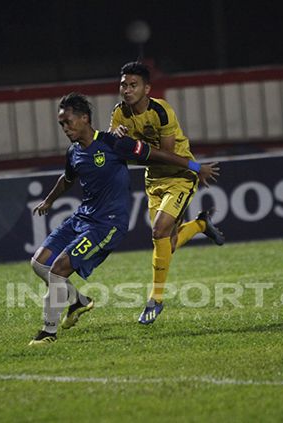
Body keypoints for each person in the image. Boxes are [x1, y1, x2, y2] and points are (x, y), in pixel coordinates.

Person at [28, 92, 218, 346]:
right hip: (81, 217)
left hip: (107, 224)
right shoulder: (73, 152)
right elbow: (67, 178)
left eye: (68, 121)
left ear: (85, 118)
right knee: (39, 264)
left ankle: (48, 333)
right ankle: (78, 302)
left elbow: (157, 154)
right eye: (61, 123)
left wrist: (195, 167)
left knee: (59, 270)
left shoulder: (114, 143)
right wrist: (49, 200)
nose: (65, 128)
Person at [109, 61, 225, 325]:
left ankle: (155, 299)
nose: (126, 90)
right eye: (123, 85)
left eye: (133, 85)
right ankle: (199, 225)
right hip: (153, 181)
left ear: (147, 88)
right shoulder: (119, 113)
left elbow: (167, 156)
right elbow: (112, 143)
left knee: (159, 231)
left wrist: (130, 148)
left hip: (180, 176)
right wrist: (114, 138)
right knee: (168, 244)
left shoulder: (161, 112)